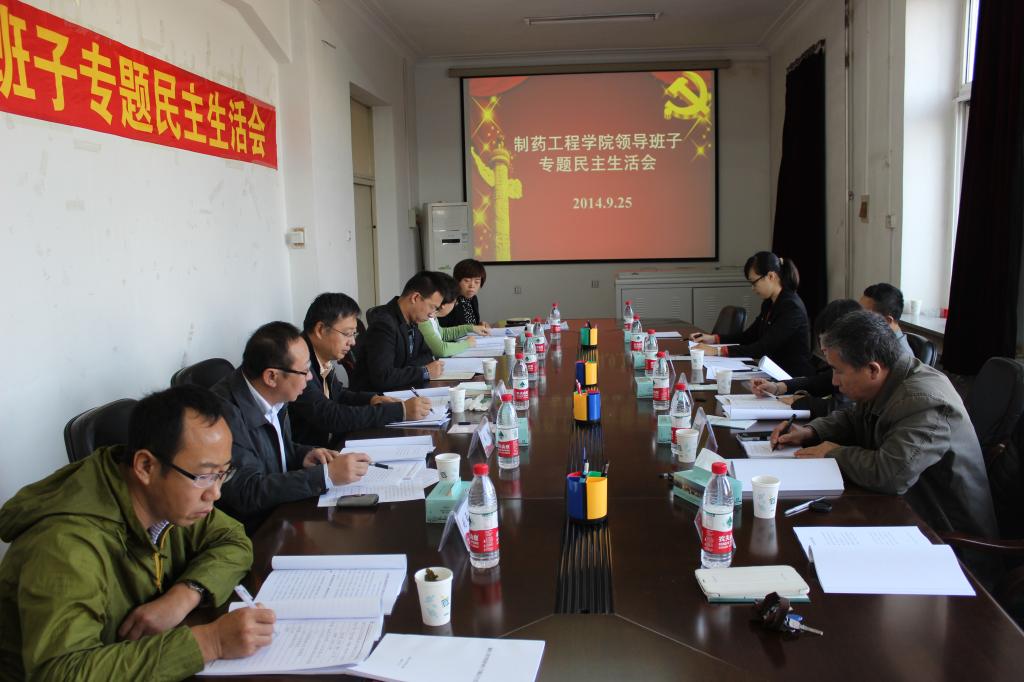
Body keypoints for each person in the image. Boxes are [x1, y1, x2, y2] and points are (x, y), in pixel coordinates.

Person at [0, 386, 274, 680]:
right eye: (204, 475)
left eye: (223, 473)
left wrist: (185, 595)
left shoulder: (167, 503)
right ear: (145, 466)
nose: (215, 493)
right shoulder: (64, 545)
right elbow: (61, 672)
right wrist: (210, 642)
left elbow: (232, 539)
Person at [771, 310, 997, 539]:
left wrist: (833, 452)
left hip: (947, 536)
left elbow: (890, 474)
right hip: (905, 510)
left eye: (838, 371)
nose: (834, 381)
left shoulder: (924, 402)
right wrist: (811, 431)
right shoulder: (888, 380)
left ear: (873, 369)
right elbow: (853, 418)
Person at [212, 322, 370, 531]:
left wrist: (303, 454)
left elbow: (268, 449)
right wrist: (325, 476)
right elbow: (247, 491)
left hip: (281, 512)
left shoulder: (274, 394)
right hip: (255, 531)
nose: (310, 377)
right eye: (304, 371)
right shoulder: (222, 416)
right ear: (271, 376)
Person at [291, 292, 432, 448]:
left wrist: (373, 399)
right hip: (311, 455)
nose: (352, 342)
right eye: (347, 334)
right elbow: (330, 416)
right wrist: (400, 411)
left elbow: (339, 394)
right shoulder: (299, 365)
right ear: (321, 330)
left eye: (354, 334)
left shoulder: (320, 356)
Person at [690, 251, 815, 377]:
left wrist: (716, 351)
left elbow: (762, 348)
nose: (753, 288)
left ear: (771, 276)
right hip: (773, 373)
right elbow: (748, 337)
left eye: (754, 282)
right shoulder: (769, 303)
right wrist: (713, 339)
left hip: (792, 377)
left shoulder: (791, 307)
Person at [751, 298, 862, 417]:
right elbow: (817, 382)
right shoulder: (844, 362)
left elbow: (843, 408)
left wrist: (802, 401)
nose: (823, 348)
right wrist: (777, 387)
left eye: (828, 342)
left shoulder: (860, 365)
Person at [357, 271, 446, 391]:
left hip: (403, 389)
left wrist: (405, 371)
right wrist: (423, 372)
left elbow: (427, 355)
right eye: (432, 307)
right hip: (378, 397)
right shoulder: (383, 324)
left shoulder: (411, 320)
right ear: (415, 298)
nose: (431, 314)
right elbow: (383, 377)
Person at [420, 272, 489, 357]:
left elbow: (443, 334)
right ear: (443, 305)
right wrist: (467, 343)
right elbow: (441, 350)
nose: (455, 304)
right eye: (454, 302)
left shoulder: (433, 315)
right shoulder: (424, 318)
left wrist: (471, 328)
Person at [860, 282, 915, 358]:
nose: (858, 317)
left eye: (865, 315)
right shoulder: (877, 338)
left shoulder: (900, 357)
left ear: (887, 321)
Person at [438, 258, 490, 328]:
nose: (472, 286)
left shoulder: (473, 298)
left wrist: (480, 325)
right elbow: (442, 328)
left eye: (477, 282)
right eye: (467, 281)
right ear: (457, 280)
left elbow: (471, 324)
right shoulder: (449, 300)